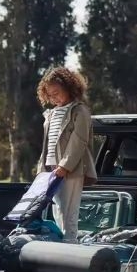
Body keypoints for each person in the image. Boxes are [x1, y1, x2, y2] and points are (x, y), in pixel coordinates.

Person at [36, 67, 98, 242]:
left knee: (68, 213)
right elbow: (47, 143)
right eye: (50, 95)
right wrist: (43, 168)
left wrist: (65, 166)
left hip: (70, 169)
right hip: (51, 169)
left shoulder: (80, 111)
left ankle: (70, 246)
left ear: (69, 88)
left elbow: (78, 141)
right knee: (58, 210)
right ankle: (61, 247)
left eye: (57, 93)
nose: (54, 98)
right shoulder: (51, 113)